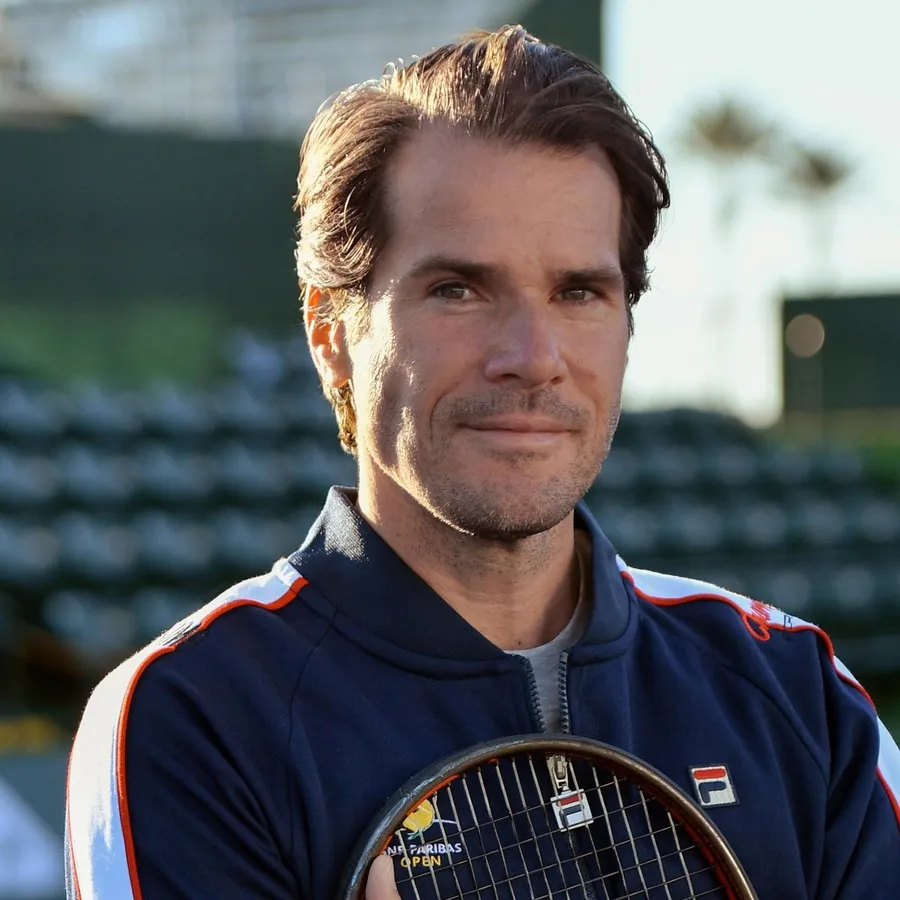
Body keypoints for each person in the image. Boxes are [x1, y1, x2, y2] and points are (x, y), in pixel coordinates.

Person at [65, 24, 899, 900]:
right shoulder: (190, 715)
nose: (532, 357)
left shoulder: (792, 686)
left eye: (579, 292)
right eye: (457, 290)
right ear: (331, 334)